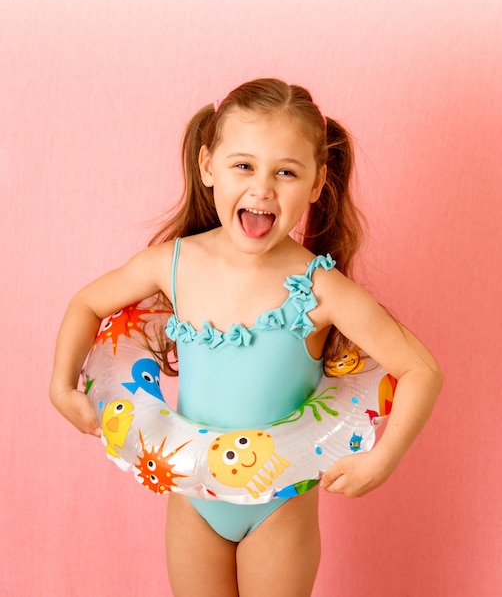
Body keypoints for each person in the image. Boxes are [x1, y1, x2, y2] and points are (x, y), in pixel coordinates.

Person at [50, 78, 442, 596]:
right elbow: (87, 303)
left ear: (318, 183)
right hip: (193, 498)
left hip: (279, 505)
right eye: (244, 165)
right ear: (208, 165)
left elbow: (421, 370)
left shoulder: (320, 288)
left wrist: (383, 459)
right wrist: (62, 386)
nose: (262, 187)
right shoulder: (174, 264)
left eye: (286, 171)